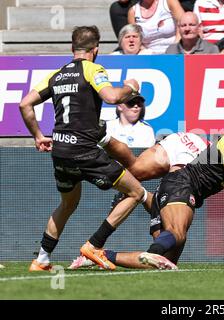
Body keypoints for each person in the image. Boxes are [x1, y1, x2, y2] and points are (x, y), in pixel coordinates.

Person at [19, 25, 174, 272]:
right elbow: (112, 97)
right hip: (84, 149)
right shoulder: (93, 69)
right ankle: (94, 245)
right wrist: (131, 87)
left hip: (61, 150)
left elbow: (25, 103)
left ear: (73, 48)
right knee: (135, 191)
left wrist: (38, 136)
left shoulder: (57, 75)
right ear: (96, 50)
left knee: (67, 204)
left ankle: (41, 259)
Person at [100, 109, 224, 269]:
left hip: (176, 189)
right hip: (180, 186)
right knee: (176, 234)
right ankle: (148, 250)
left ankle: (102, 255)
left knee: (166, 263)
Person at [68, 131, 210, 269]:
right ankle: (95, 247)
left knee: (164, 260)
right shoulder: (221, 157)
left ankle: (99, 254)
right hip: (193, 156)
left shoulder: (219, 150)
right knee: (169, 241)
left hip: (184, 142)